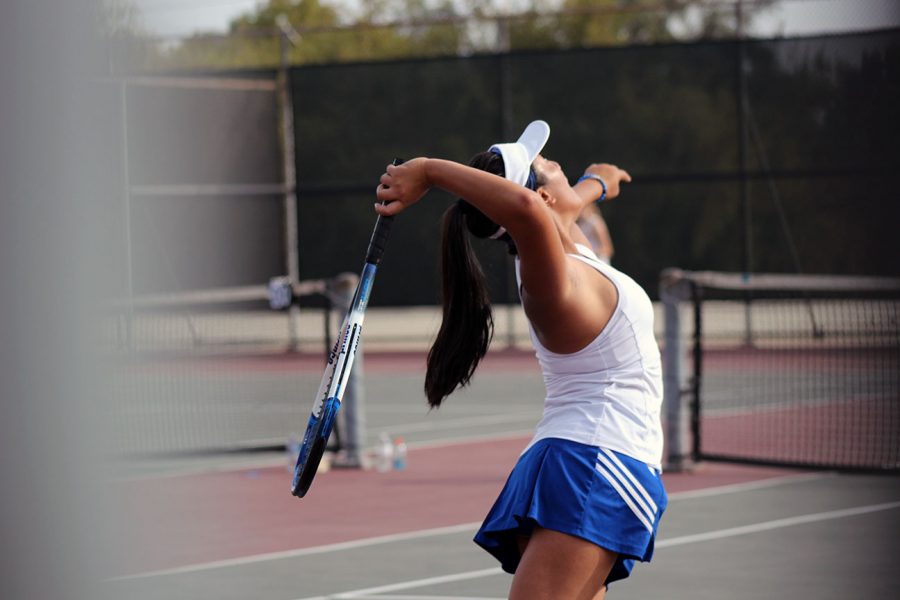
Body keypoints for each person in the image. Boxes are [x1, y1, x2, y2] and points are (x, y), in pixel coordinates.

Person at [375, 121, 666, 600]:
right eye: (546, 167)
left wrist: (599, 183)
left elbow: (559, 209)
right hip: (592, 465)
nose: (555, 165)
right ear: (538, 199)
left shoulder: (572, 249)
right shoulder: (551, 282)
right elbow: (533, 210)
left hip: (592, 462)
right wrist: (428, 170)